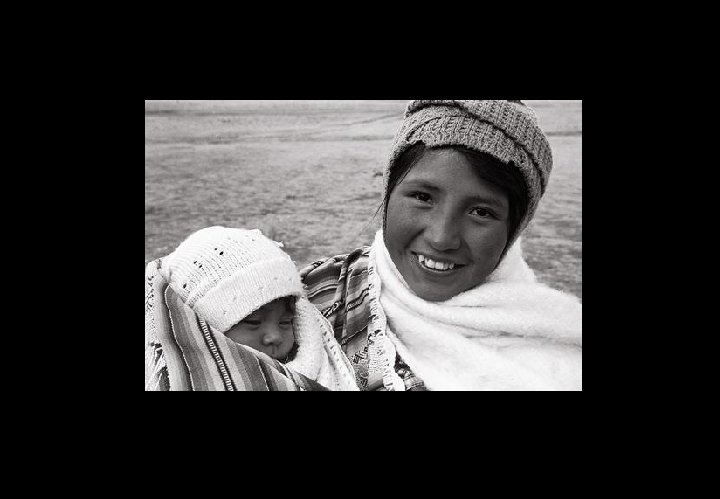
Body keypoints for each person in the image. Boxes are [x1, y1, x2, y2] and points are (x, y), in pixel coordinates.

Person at [299, 100, 582, 391]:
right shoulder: (307, 300)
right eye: (423, 197)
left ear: (513, 229)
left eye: (481, 212)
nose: (441, 238)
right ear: (389, 193)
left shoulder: (562, 360)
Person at [144, 227, 359, 391]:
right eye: (253, 322)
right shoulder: (183, 378)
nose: (274, 336)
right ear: (203, 325)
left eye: (285, 322)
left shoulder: (318, 371)